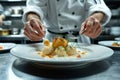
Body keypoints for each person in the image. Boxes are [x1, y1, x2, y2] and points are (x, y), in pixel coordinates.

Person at [22, 0, 111, 44]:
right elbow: (34, 7)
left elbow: (98, 7)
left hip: (81, 41)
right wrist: (33, 20)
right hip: (52, 41)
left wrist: (94, 19)